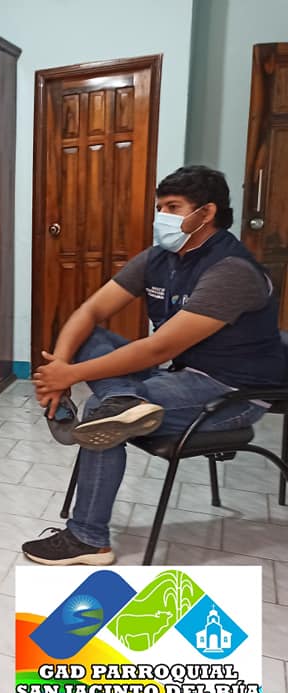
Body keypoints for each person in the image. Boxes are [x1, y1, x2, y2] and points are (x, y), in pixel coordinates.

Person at [24, 165, 286, 566]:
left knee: (98, 413)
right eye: (159, 207)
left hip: (231, 392)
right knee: (89, 339)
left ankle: (88, 539)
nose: (161, 216)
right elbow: (90, 310)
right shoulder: (160, 258)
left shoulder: (231, 270)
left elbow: (157, 349)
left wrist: (71, 375)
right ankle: (124, 400)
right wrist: (59, 369)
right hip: (183, 375)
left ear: (206, 213)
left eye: (173, 207)